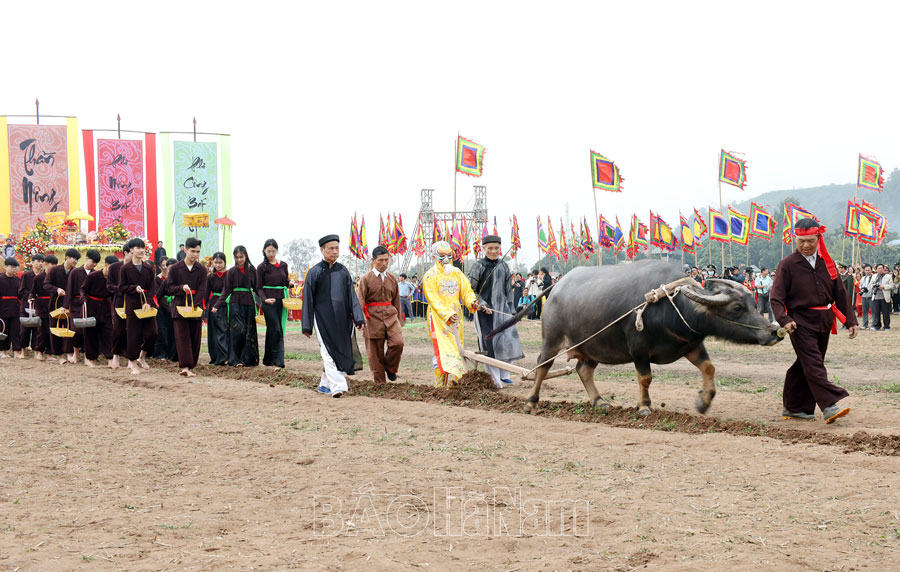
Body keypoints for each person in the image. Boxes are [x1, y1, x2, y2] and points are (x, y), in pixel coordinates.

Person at [770, 218, 858, 424]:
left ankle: (795, 408)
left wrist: (851, 321)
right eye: (801, 241)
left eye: (810, 240)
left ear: (818, 238)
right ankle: (829, 405)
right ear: (795, 240)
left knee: (804, 365)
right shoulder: (787, 265)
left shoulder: (827, 263)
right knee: (814, 364)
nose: (806, 245)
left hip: (824, 322)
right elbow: (776, 297)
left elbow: (841, 294)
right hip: (799, 323)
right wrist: (784, 319)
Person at [302, 234, 366, 397]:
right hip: (322, 318)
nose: (335, 251)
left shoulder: (343, 271)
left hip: (342, 318)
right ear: (322, 250)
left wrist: (358, 317)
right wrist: (307, 325)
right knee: (328, 350)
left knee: (338, 350)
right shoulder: (314, 273)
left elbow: (352, 295)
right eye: (331, 248)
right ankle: (338, 387)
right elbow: (308, 300)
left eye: (337, 248)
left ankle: (325, 384)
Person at [467, 235, 524, 388]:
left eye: (496, 248)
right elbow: (470, 289)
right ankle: (494, 379)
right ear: (484, 249)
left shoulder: (504, 266)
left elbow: (508, 291)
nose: (493, 251)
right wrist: (482, 304)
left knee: (508, 340)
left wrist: (512, 311)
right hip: (485, 312)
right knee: (489, 344)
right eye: (490, 248)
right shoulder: (478, 266)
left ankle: (505, 375)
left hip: (503, 311)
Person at [422, 241, 479, 389]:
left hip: (456, 317)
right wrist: (447, 314)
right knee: (442, 349)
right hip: (438, 318)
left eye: (449, 256)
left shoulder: (457, 273)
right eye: (441, 256)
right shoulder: (430, 276)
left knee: (456, 349)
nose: (446, 260)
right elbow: (432, 298)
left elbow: (466, 291)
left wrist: (472, 302)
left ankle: (455, 385)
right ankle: (440, 385)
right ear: (434, 256)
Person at [357, 245, 404, 383]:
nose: (384, 263)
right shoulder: (365, 279)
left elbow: (396, 301)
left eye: (386, 260)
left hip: (391, 316)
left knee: (398, 343)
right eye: (380, 260)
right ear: (373, 260)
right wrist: (360, 319)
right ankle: (380, 384)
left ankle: (390, 368)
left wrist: (399, 320)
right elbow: (360, 300)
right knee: (375, 353)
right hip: (372, 319)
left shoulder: (392, 278)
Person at [166, 237, 208, 376]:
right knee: (182, 337)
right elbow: (169, 288)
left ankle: (192, 364)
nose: (195, 255)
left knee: (195, 337)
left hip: (195, 308)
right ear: (185, 250)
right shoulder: (175, 269)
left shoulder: (201, 269)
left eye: (198, 252)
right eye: (192, 251)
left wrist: (195, 304)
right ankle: (184, 367)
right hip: (179, 307)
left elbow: (203, 289)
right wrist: (181, 288)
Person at [213, 245, 259, 367]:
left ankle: (247, 360)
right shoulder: (231, 272)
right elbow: (226, 290)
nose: (239, 260)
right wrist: (217, 305)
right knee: (238, 331)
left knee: (249, 332)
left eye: (241, 257)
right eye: (237, 257)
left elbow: (257, 288)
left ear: (246, 256)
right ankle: (235, 359)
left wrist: (265, 300)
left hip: (249, 304)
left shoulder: (252, 270)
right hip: (235, 304)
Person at [118, 238, 158, 375]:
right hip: (132, 305)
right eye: (138, 247)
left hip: (146, 306)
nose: (141, 250)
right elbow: (122, 287)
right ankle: (133, 363)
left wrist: (148, 302)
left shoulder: (148, 268)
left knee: (153, 332)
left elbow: (153, 287)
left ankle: (142, 356)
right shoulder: (125, 269)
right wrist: (134, 288)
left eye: (143, 247)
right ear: (131, 250)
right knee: (133, 335)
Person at [257, 238, 292, 368]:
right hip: (268, 301)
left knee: (274, 329)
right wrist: (264, 299)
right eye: (268, 251)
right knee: (276, 329)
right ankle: (278, 361)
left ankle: (268, 359)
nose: (271, 253)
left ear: (277, 251)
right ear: (264, 251)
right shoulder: (261, 267)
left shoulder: (283, 265)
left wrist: (290, 283)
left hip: (282, 300)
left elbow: (285, 281)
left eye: (273, 251)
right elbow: (258, 287)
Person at [45, 248, 81, 365]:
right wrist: (57, 289)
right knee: (55, 329)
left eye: (77, 259)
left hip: (71, 305)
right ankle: (59, 355)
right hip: (56, 303)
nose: (75, 261)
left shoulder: (75, 272)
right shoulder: (55, 270)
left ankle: (69, 353)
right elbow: (46, 284)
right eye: (73, 258)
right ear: (66, 258)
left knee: (70, 329)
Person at [80, 253, 115, 367]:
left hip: (105, 306)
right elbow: (83, 290)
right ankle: (91, 359)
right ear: (106, 265)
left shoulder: (113, 279)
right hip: (91, 305)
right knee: (91, 333)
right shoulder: (93, 276)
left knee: (108, 333)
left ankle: (110, 358)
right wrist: (84, 300)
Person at [65, 249, 99, 363]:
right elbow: (69, 289)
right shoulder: (75, 272)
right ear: (87, 258)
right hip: (75, 304)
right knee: (76, 330)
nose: (94, 264)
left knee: (88, 331)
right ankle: (75, 353)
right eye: (93, 261)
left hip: (89, 304)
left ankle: (86, 356)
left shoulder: (95, 273)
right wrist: (66, 306)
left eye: (96, 263)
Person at [107, 243, 132, 369]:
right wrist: (121, 290)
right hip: (119, 302)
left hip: (133, 302)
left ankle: (130, 358)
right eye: (132, 252)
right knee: (118, 330)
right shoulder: (114, 268)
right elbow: (109, 285)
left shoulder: (137, 268)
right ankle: (115, 355)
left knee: (132, 331)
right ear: (126, 253)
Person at [18, 254, 44, 358]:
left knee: (37, 330)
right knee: (25, 330)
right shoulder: (26, 275)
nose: (40, 263)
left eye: (42, 261)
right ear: (32, 262)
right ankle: (23, 351)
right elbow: (21, 291)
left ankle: (36, 351)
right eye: (38, 261)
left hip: (39, 306)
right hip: (26, 306)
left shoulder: (43, 276)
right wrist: (30, 296)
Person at [153, 257, 177, 362]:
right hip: (162, 308)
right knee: (162, 331)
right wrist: (168, 308)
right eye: (165, 266)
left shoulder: (177, 280)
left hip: (175, 307)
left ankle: (173, 354)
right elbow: (159, 296)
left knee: (174, 331)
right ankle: (161, 353)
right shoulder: (158, 280)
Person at [206, 252, 228, 366]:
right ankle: (215, 357)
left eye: (220, 262)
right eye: (216, 262)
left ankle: (226, 356)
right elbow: (206, 293)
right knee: (214, 332)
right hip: (214, 305)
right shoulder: (210, 277)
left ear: (225, 262)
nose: (218, 265)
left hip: (227, 304)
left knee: (224, 331)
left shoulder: (229, 275)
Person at [32, 254, 55, 361]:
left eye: (55, 264)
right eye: (52, 264)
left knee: (52, 331)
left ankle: (50, 354)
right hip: (41, 306)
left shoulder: (55, 277)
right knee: (42, 331)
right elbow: (33, 292)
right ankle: (39, 351)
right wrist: (31, 299)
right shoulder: (38, 278)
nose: (54, 266)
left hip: (53, 306)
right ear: (46, 264)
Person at [0, 257, 22, 358]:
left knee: (16, 331)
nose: (14, 269)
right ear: (5, 267)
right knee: (4, 330)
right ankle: (3, 351)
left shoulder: (18, 280)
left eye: (15, 267)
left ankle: (16, 351)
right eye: (12, 267)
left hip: (15, 308)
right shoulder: (0, 279)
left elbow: (20, 295)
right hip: (3, 308)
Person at [870, 263, 894, 331]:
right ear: (876, 269)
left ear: (884, 269)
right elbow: (870, 284)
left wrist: (884, 287)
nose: (880, 270)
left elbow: (892, 286)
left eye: (881, 268)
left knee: (886, 313)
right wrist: (873, 286)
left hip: (884, 297)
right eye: (878, 268)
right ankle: (877, 325)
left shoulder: (888, 276)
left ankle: (886, 326)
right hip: (876, 296)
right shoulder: (874, 276)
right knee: (876, 312)